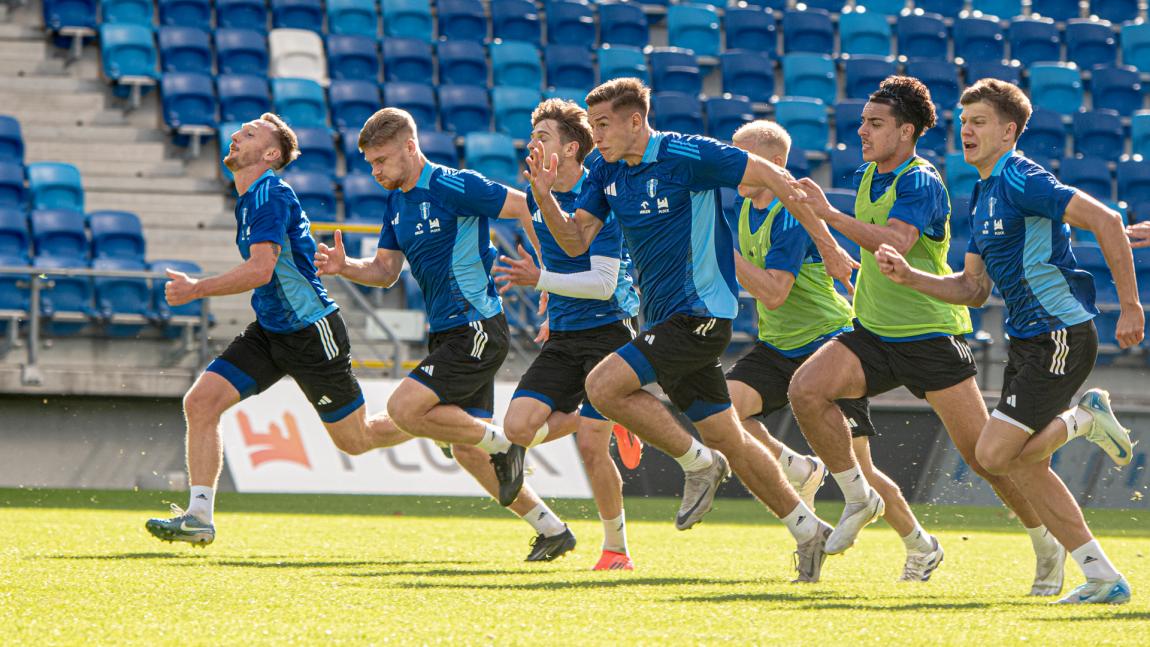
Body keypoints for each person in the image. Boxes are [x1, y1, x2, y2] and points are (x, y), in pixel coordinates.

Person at [525, 78, 856, 582]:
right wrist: (545, 197)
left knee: (602, 386)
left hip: (701, 314)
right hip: (666, 321)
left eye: (604, 124)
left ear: (636, 120)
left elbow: (776, 176)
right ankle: (807, 530)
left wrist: (828, 246)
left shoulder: (687, 154)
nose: (597, 136)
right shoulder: (606, 171)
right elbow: (575, 242)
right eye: (592, 126)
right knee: (731, 438)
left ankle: (698, 462)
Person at [786, 77, 1067, 596]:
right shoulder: (868, 174)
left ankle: (1045, 541)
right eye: (863, 121)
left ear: (906, 132)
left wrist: (827, 212)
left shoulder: (921, 180)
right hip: (873, 333)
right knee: (806, 389)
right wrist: (822, 228)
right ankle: (858, 497)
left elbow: (895, 241)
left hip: (932, 337)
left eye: (875, 123)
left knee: (986, 460)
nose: (862, 131)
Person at [874, 78, 1141, 604]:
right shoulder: (982, 193)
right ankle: (1103, 577)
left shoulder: (1022, 177)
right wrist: (910, 278)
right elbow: (972, 290)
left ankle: (1084, 419)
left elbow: (1108, 221)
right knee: (1025, 464)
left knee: (994, 454)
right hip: (1028, 342)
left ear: (1009, 131)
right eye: (963, 121)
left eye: (979, 122)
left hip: (1059, 334)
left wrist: (1130, 307)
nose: (966, 130)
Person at [313, 108, 579, 560]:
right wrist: (346, 267)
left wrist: (550, 277)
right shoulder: (397, 202)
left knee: (404, 409)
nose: (375, 171)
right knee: (467, 449)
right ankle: (551, 529)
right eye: (370, 163)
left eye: (381, 160)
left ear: (409, 147)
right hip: (446, 334)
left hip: (477, 327)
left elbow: (524, 205)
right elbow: (385, 271)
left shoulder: (453, 185)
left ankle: (508, 444)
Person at [146, 114, 408, 545]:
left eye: (249, 134)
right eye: (240, 131)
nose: (235, 135)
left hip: (311, 332)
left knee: (356, 440)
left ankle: (432, 422)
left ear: (270, 154)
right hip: (271, 330)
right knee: (201, 402)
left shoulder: (269, 194)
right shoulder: (251, 197)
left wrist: (197, 289)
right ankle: (198, 517)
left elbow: (261, 270)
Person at [724, 120, 945, 582]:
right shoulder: (745, 208)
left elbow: (774, 293)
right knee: (725, 414)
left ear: (771, 164)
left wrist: (724, 254)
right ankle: (798, 466)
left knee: (861, 470)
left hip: (826, 341)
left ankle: (921, 546)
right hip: (778, 344)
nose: (735, 164)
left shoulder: (787, 217)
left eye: (743, 156)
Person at [491, 99, 643, 571]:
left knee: (593, 448)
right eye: (531, 137)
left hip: (609, 330)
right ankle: (607, 416)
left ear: (571, 149)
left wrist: (540, 280)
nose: (532, 145)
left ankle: (616, 550)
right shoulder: (537, 195)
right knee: (516, 429)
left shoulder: (601, 196)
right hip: (564, 333)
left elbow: (602, 285)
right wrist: (550, 297)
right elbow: (555, 252)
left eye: (543, 137)